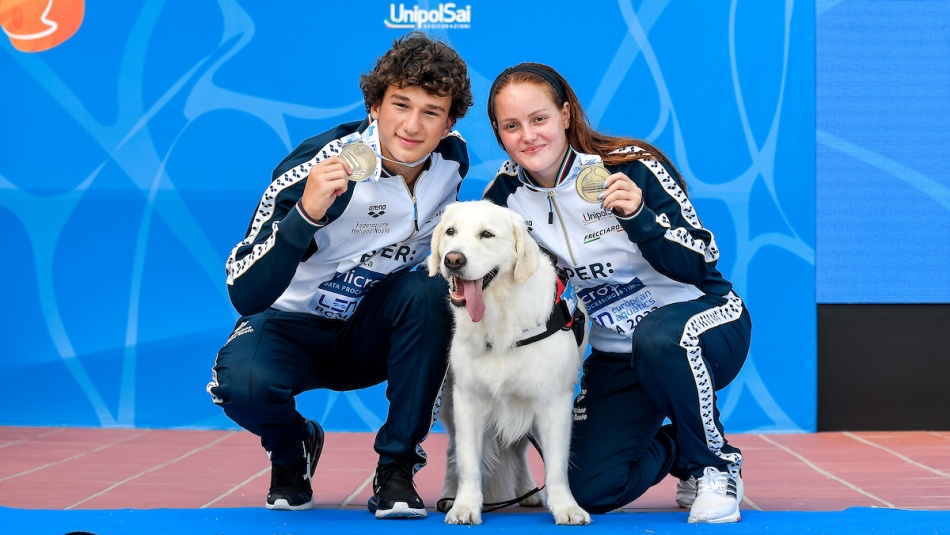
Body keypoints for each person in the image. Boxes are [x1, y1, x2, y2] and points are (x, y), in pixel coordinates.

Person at [206, 32, 473, 520]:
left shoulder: (452, 161)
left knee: (434, 290)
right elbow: (244, 290)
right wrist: (305, 216)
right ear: (374, 106)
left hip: (375, 331)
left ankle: (396, 469)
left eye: (431, 111)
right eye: (400, 105)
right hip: (294, 327)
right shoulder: (319, 165)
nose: (412, 125)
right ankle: (292, 451)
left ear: (449, 121)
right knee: (241, 383)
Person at [483, 63, 752, 524]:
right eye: (512, 126)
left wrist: (641, 218)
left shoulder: (631, 166)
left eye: (539, 119)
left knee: (658, 335)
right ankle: (681, 450)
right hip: (616, 355)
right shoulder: (503, 201)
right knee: (586, 491)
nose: (528, 135)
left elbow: (702, 262)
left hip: (705, 324)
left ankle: (714, 465)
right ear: (499, 133)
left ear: (566, 115)